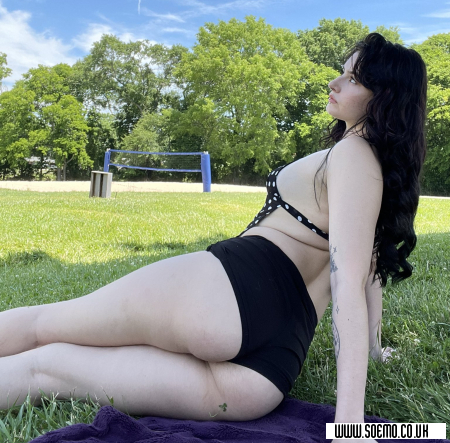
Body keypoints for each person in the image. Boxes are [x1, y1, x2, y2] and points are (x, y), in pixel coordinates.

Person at [0, 33, 427, 440]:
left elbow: (348, 279)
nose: (334, 83)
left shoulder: (351, 153)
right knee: (47, 369)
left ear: (385, 97)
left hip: (225, 294)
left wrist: (350, 424)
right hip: (263, 376)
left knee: (42, 327)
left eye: (353, 79)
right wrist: (373, 349)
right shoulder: (375, 173)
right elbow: (368, 271)